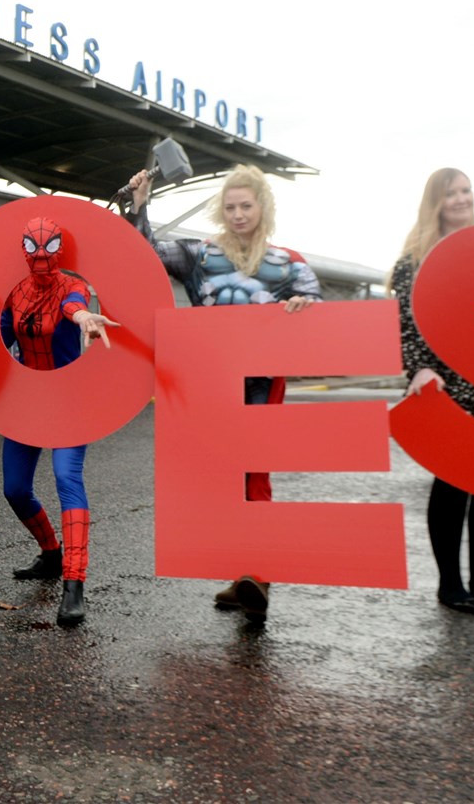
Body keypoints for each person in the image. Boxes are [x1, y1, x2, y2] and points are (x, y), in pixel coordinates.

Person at [122, 164, 319, 622]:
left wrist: (303, 306)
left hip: (261, 386)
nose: (237, 214)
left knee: (254, 477)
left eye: (246, 205)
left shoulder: (290, 264)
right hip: (209, 386)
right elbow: (144, 254)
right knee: (220, 481)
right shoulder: (199, 255)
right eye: (229, 207)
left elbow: (318, 308)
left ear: (262, 207)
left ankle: (259, 576)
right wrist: (140, 203)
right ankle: (243, 576)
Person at [391, 168, 474, 615]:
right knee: (452, 481)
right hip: (446, 382)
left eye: (466, 191)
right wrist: (419, 369)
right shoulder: (415, 257)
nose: (461, 199)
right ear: (435, 201)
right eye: (451, 193)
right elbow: (406, 322)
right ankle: (450, 584)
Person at [1, 216, 120, 627]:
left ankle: (74, 583)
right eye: (32, 247)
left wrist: (84, 317)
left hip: (69, 400)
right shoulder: (15, 293)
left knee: (68, 480)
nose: (40, 256)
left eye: (49, 247)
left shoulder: (73, 287)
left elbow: (73, 305)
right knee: (14, 489)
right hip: (28, 400)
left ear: (60, 249)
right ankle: (51, 554)